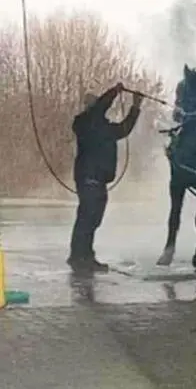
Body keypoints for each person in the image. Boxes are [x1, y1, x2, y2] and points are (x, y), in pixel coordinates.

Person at [67, 82, 143, 272]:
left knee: (93, 219)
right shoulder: (83, 122)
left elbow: (125, 129)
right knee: (87, 218)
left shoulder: (104, 128)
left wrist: (135, 107)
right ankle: (79, 257)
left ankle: (85, 256)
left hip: (99, 181)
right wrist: (114, 92)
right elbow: (100, 107)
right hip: (88, 179)